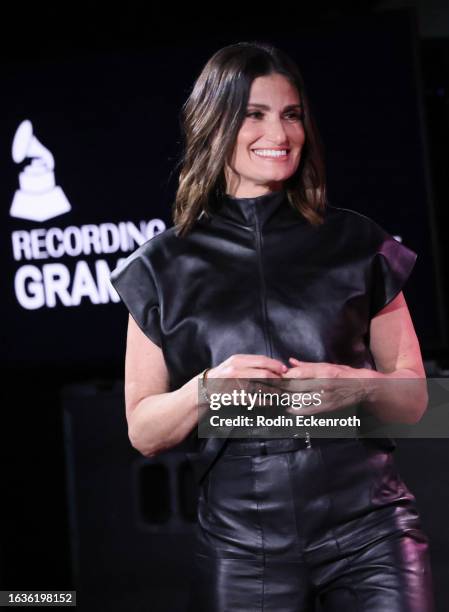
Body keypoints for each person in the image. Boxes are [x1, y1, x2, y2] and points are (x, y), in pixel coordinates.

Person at [110, 42, 435, 611]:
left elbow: (414, 400)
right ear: (216, 123)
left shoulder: (357, 242)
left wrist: (357, 386)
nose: (278, 134)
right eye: (254, 115)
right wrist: (206, 392)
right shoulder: (160, 267)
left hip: (370, 531)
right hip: (243, 545)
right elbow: (144, 430)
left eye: (291, 114)